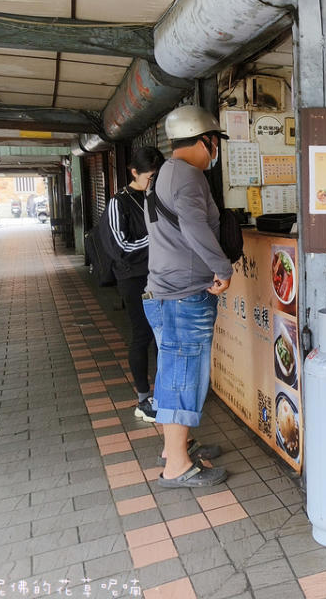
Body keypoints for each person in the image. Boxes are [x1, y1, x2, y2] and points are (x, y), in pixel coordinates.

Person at [142, 105, 233, 488]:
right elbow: (195, 227)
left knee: (170, 372)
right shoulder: (189, 176)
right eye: (215, 143)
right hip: (183, 296)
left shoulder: (164, 173)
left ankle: (174, 448)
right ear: (205, 140)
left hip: (163, 291)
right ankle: (177, 466)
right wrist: (223, 268)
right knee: (183, 376)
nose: (216, 150)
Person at [106, 147, 165, 422]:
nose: (152, 182)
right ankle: (143, 399)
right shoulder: (119, 202)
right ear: (134, 172)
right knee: (143, 335)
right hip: (133, 278)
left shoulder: (158, 196)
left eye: (157, 176)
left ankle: (164, 392)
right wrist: (156, 237)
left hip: (161, 275)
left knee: (163, 335)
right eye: (149, 177)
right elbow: (121, 245)